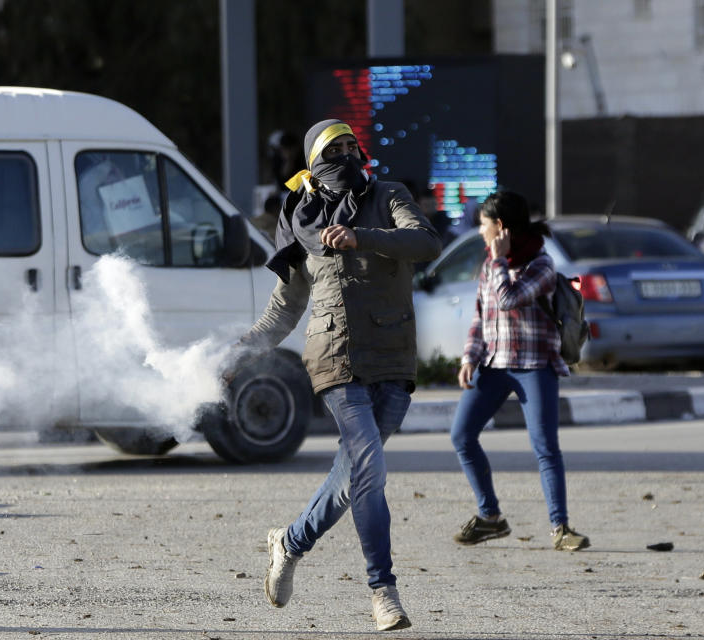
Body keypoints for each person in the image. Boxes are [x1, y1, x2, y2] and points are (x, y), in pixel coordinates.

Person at [234, 119, 442, 631]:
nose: (349, 154)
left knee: (352, 474)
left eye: (354, 145)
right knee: (369, 463)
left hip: (393, 354)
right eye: (337, 148)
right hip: (334, 356)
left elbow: (424, 242)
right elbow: (285, 308)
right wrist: (241, 350)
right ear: (315, 162)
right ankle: (383, 591)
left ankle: (290, 541)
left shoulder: (388, 195)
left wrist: (361, 236)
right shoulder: (299, 217)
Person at [449, 190, 590, 552]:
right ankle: (490, 517)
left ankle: (561, 528)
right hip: (494, 364)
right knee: (462, 436)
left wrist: (498, 261)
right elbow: (481, 317)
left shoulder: (540, 266)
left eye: (483, 225)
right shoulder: (488, 266)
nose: (479, 232)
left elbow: (509, 298)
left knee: (545, 448)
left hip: (535, 366)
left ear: (500, 227)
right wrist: (469, 358)